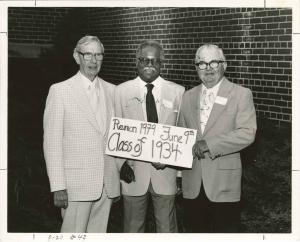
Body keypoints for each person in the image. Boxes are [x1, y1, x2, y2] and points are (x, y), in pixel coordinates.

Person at [43, 35, 120, 233]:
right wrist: (58, 185)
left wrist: (116, 177)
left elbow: (116, 138)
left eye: (98, 55)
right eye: (88, 55)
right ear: (77, 57)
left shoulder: (113, 91)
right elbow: (51, 144)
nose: (93, 61)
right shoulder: (60, 91)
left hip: (106, 186)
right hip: (75, 186)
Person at [178, 44, 257, 233]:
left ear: (225, 65)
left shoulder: (240, 94)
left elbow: (247, 132)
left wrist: (209, 144)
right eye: (202, 64)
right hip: (192, 183)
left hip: (224, 185)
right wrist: (176, 171)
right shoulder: (187, 96)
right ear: (196, 67)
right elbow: (181, 135)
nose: (209, 68)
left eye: (214, 62)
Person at [114, 40, 185, 233]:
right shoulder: (121, 91)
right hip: (133, 174)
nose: (149, 65)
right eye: (144, 60)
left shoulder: (178, 92)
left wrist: (178, 173)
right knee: (132, 229)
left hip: (166, 173)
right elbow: (115, 133)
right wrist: (122, 165)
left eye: (155, 61)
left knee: (167, 229)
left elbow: (181, 134)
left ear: (162, 63)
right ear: (136, 62)